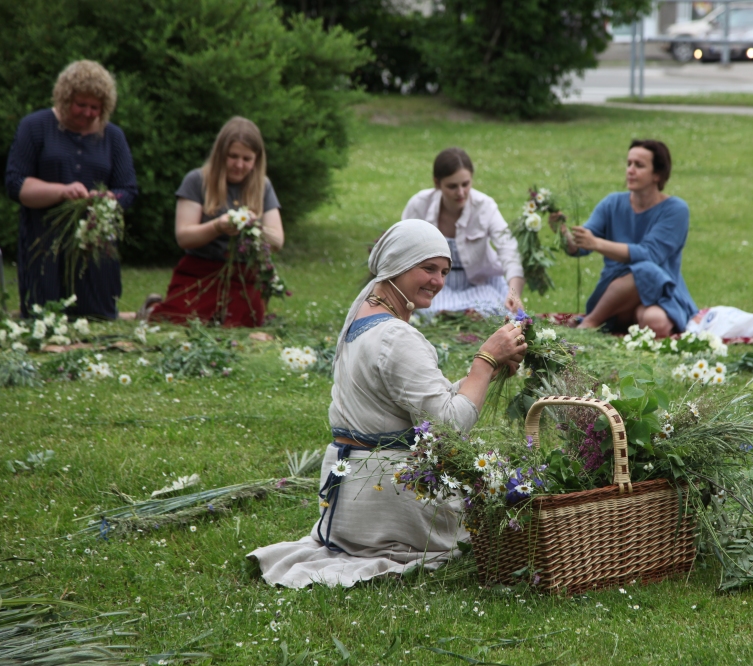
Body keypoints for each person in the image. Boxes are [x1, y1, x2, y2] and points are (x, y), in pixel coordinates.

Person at [249, 219, 527, 588]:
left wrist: (489, 373)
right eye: (428, 268)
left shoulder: (364, 320)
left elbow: (424, 403)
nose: (438, 281)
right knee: (510, 510)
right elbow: (448, 424)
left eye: (444, 271)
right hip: (388, 504)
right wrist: (484, 360)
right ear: (397, 264)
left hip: (349, 501)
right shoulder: (396, 337)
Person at [5, 60, 138, 319]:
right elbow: (15, 183)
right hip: (44, 241)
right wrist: (62, 191)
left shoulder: (113, 137)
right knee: (44, 316)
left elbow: (128, 189)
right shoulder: (35, 127)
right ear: (65, 99)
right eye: (81, 105)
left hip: (95, 245)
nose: (88, 113)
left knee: (97, 318)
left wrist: (107, 199)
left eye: (95, 108)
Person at [145, 117, 283, 327]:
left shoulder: (263, 186)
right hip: (201, 269)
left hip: (242, 274)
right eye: (233, 157)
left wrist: (254, 227)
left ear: (257, 159)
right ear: (220, 154)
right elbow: (184, 237)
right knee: (179, 320)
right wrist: (217, 226)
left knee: (245, 321)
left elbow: (277, 240)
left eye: (247, 159)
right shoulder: (196, 180)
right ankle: (151, 308)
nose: (239, 165)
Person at [563, 139, 697, 338]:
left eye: (639, 165)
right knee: (644, 271)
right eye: (629, 164)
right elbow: (582, 245)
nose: (630, 170)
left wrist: (597, 243)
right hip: (614, 295)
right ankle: (591, 322)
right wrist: (564, 233)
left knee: (654, 320)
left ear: (657, 174)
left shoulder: (676, 209)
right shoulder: (612, 203)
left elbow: (650, 254)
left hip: (661, 292)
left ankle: (604, 322)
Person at [401, 147, 524, 317]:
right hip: (434, 286)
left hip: (480, 285)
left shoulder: (485, 206)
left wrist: (514, 292)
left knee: (501, 314)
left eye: (465, 184)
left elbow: (508, 250)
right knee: (425, 313)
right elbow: (402, 250)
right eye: (452, 186)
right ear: (437, 183)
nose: (461, 193)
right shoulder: (419, 205)